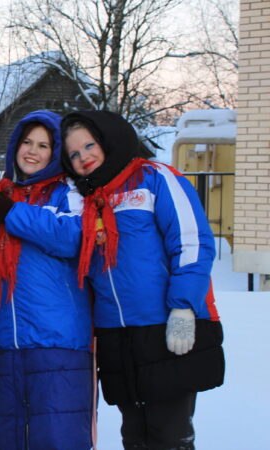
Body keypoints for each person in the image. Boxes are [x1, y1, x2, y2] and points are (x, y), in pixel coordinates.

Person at [60, 110, 224, 449]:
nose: (83, 157)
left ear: (107, 140)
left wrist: (183, 308)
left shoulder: (154, 178)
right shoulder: (89, 202)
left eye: (89, 145)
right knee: (134, 436)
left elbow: (191, 242)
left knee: (168, 434)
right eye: (74, 154)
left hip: (166, 327)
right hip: (117, 336)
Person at [0, 110, 94, 449]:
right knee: (9, 440)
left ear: (55, 151)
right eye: (26, 142)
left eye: (43, 145)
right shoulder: (0, 193)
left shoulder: (68, 192)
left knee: (57, 440)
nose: (32, 151)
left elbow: (72, 237)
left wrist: (12, 213)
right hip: (7, 346)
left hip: (59, 344)